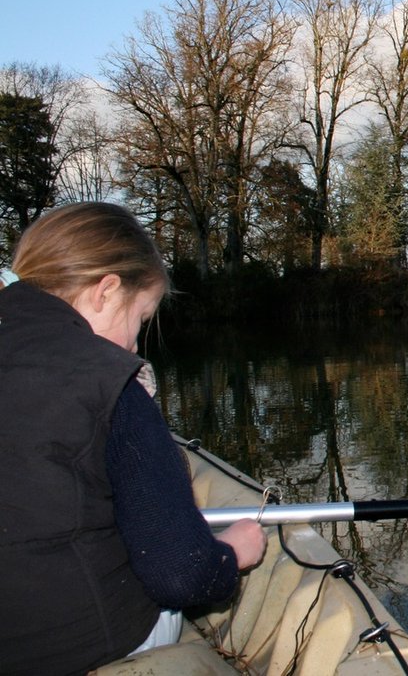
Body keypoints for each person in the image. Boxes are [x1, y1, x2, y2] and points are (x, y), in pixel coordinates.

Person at [0, 202, 267, 675]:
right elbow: (181, 577)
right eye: (140, 320)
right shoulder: (111, 380)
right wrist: (232, 553)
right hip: (71, 645)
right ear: (105, 291)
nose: (133, 345)